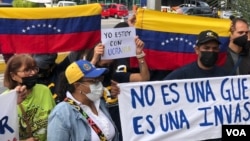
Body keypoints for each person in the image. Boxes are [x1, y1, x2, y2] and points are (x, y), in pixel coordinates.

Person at [47, 60, 119, 141]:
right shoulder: (61, 113)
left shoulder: (100, 103)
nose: (99, 84)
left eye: (99, 79)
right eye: (93, 81)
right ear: (77, 85)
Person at [3, 54, 56, 141]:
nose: (33, 73)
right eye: (27, 70)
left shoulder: (44, 90)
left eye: (34, 68)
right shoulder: (5, 100)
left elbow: (55, 121)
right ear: (13, 76)